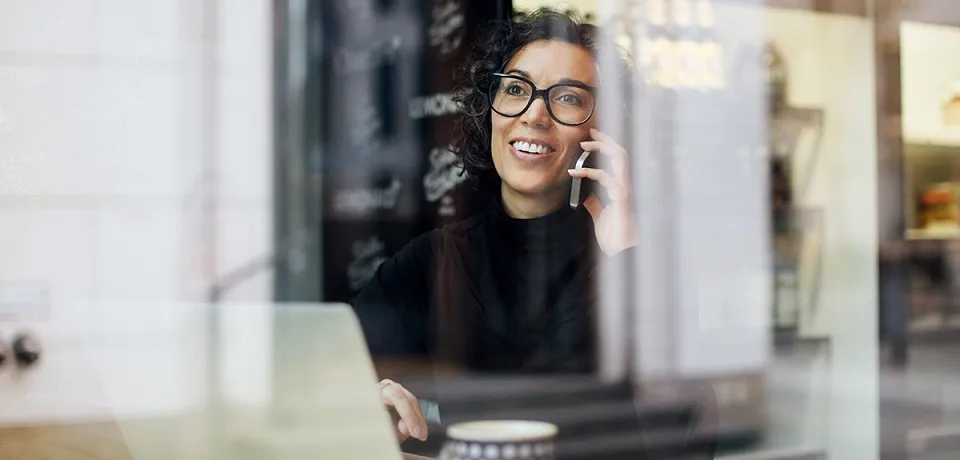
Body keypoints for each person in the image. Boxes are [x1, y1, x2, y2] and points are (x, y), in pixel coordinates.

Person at [352, 8, 638, 444]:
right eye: (516, 89)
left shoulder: (628, 265)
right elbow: (318, 391)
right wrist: (366, 397)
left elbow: (690, 432)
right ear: (490, 111)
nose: (534, 116)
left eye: (567, 97)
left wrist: (626, 254)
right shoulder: (428, 263)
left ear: (603, 133)